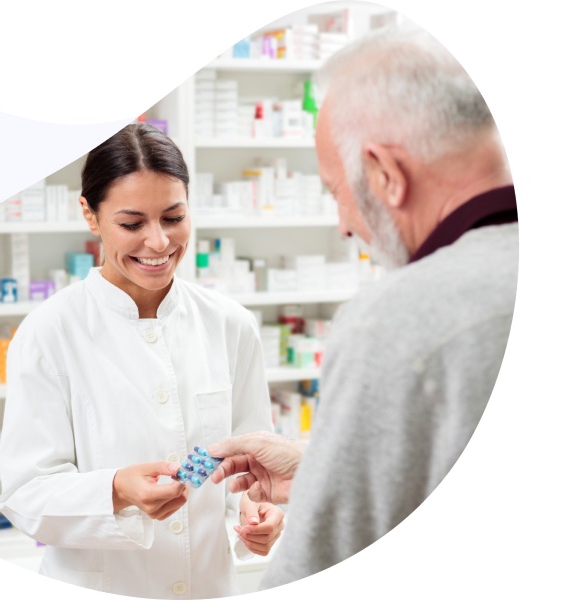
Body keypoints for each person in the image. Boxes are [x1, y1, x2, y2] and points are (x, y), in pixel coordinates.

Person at [208, 24, 518, 589]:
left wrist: (332, 495)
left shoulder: (397, 321)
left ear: (385, 175)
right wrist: (321, 470)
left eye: (336, 192)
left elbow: (317, 569)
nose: (345, 227)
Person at [0, 122, 284, 599]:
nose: (158, 242)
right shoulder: (49, 332)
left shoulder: (230, 324)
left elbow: (254, 466)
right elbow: (26, 495)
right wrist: (116, 489)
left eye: (173, 218)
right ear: (90, 214)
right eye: (132, 224)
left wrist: (262, 514)